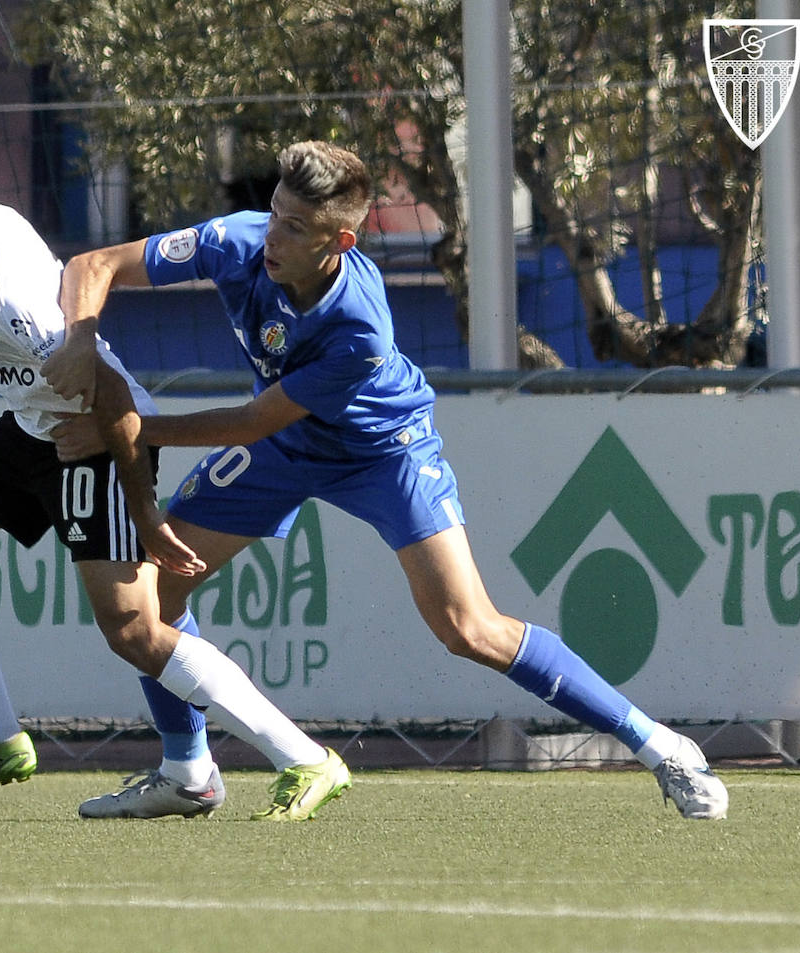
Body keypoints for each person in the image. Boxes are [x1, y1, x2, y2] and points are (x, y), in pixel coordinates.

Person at [44, 140, 730, 821]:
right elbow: (92, 263)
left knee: (467, 627)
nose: (271, 239)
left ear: (339, 241)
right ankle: (188, 772)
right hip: (289, 444)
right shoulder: (235, 241)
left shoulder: (357, 326)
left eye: (294, 227)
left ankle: (659, 744)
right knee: (153, 596)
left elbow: (254, 419)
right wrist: (80, 340)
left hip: (384, 452)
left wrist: (123, 426)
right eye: (274, 213)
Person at [0, 105, 352, 819]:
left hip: (97, 434)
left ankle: (304, 756)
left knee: (136, 631)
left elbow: (106, 387)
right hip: (34, 423)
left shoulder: (2, 288)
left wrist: (141, 505)